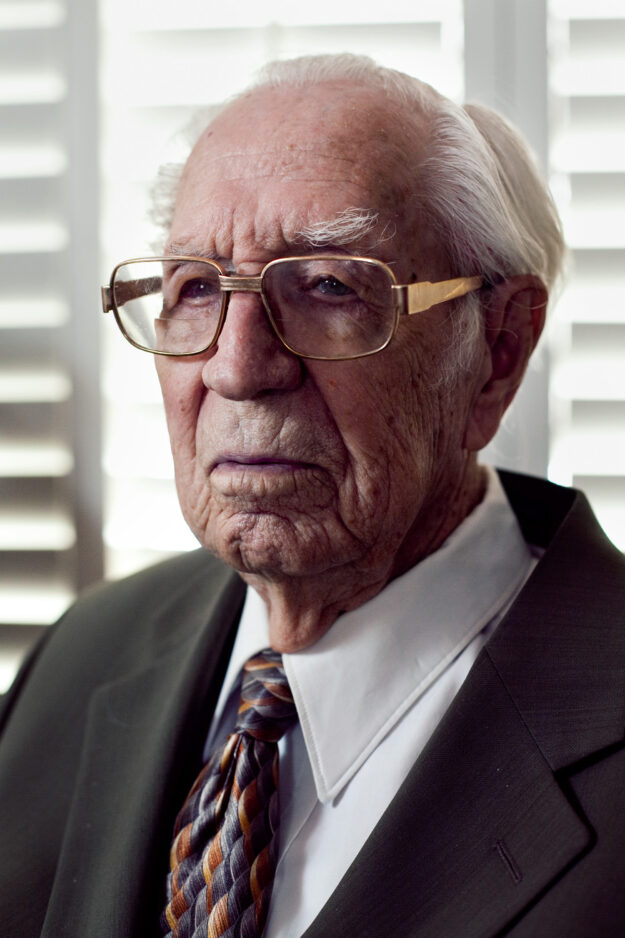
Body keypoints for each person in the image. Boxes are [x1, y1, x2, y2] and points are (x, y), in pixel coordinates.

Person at [1, 53, 624, 938]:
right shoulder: (81, 655)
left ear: (497, 352)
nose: (236, 367)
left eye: (330, 285)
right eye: (195, 288)